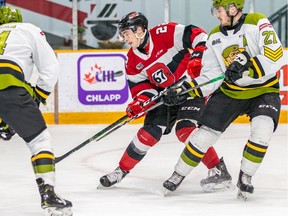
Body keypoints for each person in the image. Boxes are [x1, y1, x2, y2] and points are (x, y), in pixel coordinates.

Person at [162, 0, 284, 200]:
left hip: (263, 90)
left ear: (233, 8)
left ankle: (246, 177)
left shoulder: (257, 21)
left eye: (219, 10)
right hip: (231, 93)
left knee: (263, 128)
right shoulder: (215, 36)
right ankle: (178, 174)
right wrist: (186, 90)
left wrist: (249, 66)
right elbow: (211, 75)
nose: (217, 15)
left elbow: (276, 54)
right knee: (203, 136)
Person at [99, 11, 233, 192]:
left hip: (190, 89)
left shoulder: (165, 33)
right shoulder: (131, 60)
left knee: (185, 130)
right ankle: (121, 170)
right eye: (123, 35)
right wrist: (140, 103)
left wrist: (197, 55)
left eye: (126, 34)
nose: (125, 38)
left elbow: (198, 35)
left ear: (139, 30)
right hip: (166, 95)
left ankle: (218, 169)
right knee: (149, 133)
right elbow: (142, 89)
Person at [0, 6, 72, 215]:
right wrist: (38, 96)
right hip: (9, 87)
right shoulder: (28, 29)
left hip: (7, 90)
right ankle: (48, 193)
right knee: (39, 141)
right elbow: (50, 68)